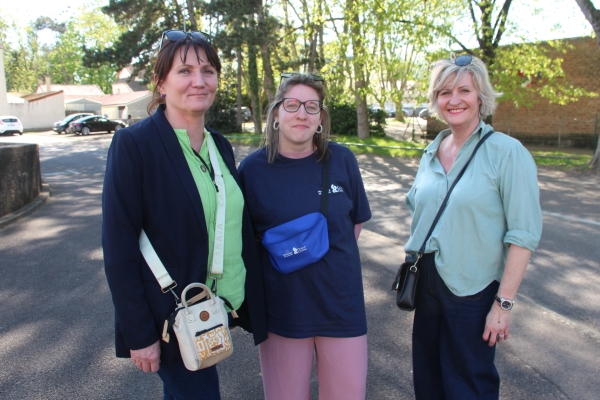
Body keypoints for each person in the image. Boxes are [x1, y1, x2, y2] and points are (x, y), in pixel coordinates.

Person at [102, 30, 267, 400]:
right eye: (185, 71)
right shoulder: (134, 145)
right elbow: (118, 245)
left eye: (208, 71)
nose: (199, 81)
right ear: (161, 84)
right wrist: (139, 334)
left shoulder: (218, 144)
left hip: (213, 308)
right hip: (170, 314)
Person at [403, 55, 543, 399]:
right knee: (429, 379)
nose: (454, 100)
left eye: (464, 90)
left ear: (481, 96)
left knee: (469, 384)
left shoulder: (507, 153)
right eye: (445, 91)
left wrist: (503, 304)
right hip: (427, 284)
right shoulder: (432, 152)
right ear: (436, 100)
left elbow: (523, 235)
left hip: (475, 292)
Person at [238, 73, 372, 400]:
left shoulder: (342, 160)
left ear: (321, 118)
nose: (302, 114)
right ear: (276, 114)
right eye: (292, 104)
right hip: (283, 310)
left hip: (341, 306)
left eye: (311, 106)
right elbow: (243, 243)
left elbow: (354, 225)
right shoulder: (252, 171)